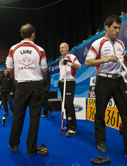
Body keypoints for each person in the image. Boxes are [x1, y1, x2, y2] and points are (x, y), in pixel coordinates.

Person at [85, 15, 127, 162]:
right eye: (115, 28)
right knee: (100, 113)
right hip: (103, 80)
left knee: (126, 113)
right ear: (107, 27)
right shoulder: (98, 43)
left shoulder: (120, 44)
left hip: (118, 79)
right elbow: (87, 62)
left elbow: (122, 58)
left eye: (119, 28)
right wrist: (105, 59)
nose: (117, 30)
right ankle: (100, 141)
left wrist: (126, 58)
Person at [6, 23, 48, 156]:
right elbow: (44, 69)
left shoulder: (13, 48)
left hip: (22, 85)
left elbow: (9, 67)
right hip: (36, 85)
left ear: (21, 35)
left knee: (18, 116)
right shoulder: (40, 49)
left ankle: (13, 145)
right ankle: (31, 149)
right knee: (34, 117)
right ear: (33, 34)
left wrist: (19, 74)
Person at [58, 43, 81, 137]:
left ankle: (73, 128)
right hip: (62, 83)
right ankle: (68, 124)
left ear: (67, 49)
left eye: (63, 47)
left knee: (69, 105)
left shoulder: (72, 56)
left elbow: (79, 67)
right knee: (65, 105)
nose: (61, 49)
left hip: (69, 82)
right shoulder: (60, 60)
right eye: (60, 48)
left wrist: (70, 63)